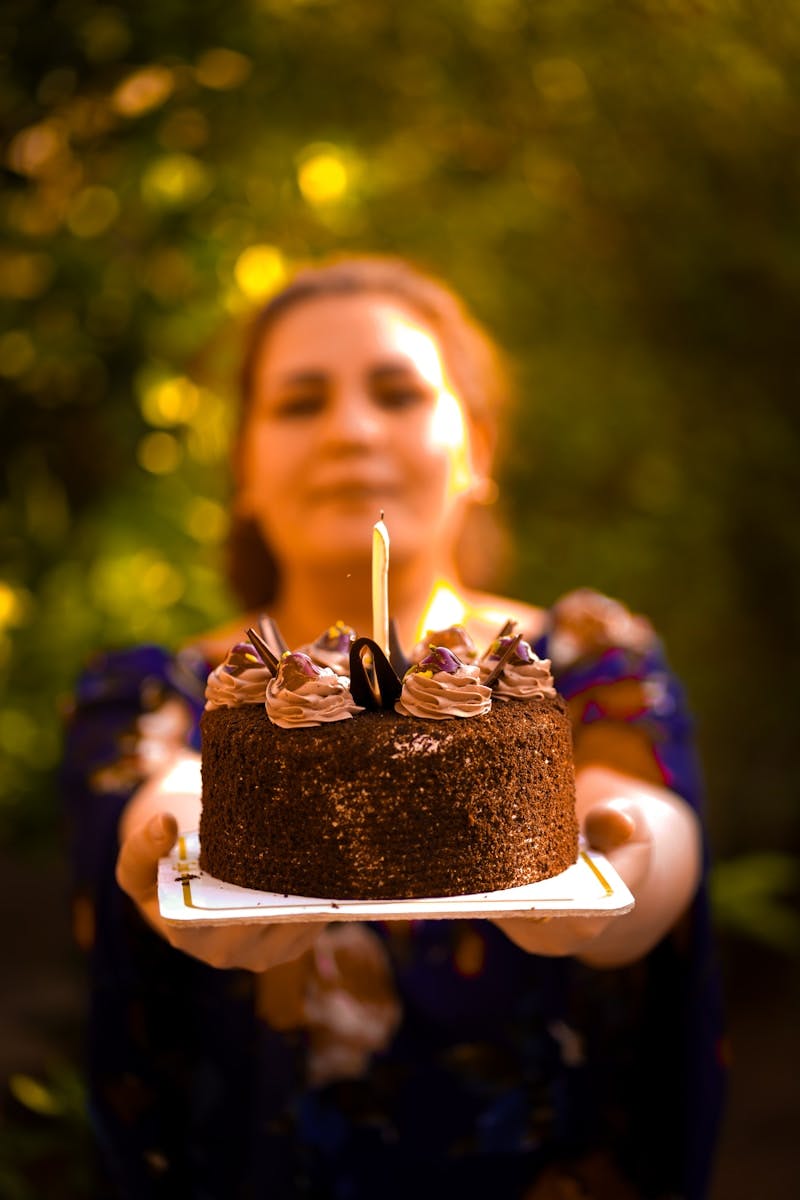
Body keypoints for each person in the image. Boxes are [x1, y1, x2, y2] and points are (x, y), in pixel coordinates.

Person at [62, 256, 725, 1199]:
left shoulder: (572, 666)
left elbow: (641, 811)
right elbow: (160, 801)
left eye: (398, 392)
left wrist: (620, 862)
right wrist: (185, 840)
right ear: (242, 466)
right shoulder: (164, 695)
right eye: (300, 402)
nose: (352, 430)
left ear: (478, 448)